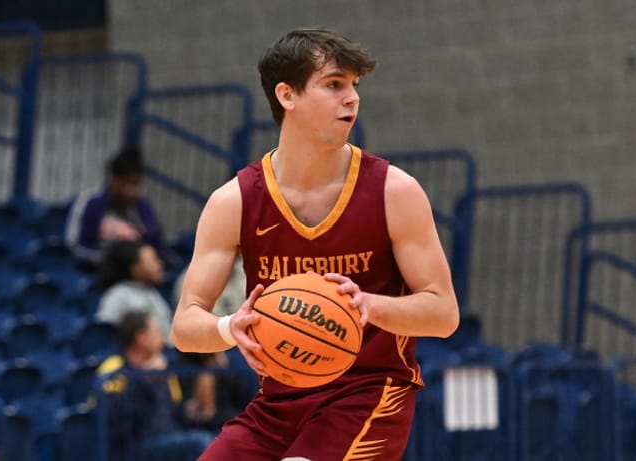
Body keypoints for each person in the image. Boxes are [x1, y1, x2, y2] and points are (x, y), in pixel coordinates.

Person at [171, 27, 459, 461]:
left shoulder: (393, 191)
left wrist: (369, 306)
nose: (352, 98)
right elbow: (184, 328)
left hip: (370, 394)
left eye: (354, 86)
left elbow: (443, 314)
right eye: (334, 84)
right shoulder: (234, 201)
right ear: (287, 95)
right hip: (277, 403)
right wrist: (231, 327)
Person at [98, 311, 213, 461]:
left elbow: (170, 412)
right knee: (200, 443)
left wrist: (188, 411)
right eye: (156, 331)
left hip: (169, 438)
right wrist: (148, 379)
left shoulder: (161, 368)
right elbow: (119, 419)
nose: (162, 338)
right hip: (139, 445)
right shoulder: (114, 369)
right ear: (141, 338)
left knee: (225, 437)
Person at [65, 146, 168, 265]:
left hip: (136, 273)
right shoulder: (91, 203)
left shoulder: (142, 207)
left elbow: (158, 246)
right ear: (114, 180)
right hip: (97, 270)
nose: (132, 192)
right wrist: (111, 261)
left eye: (136, 186)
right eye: (128, 184)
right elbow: (75, 246)